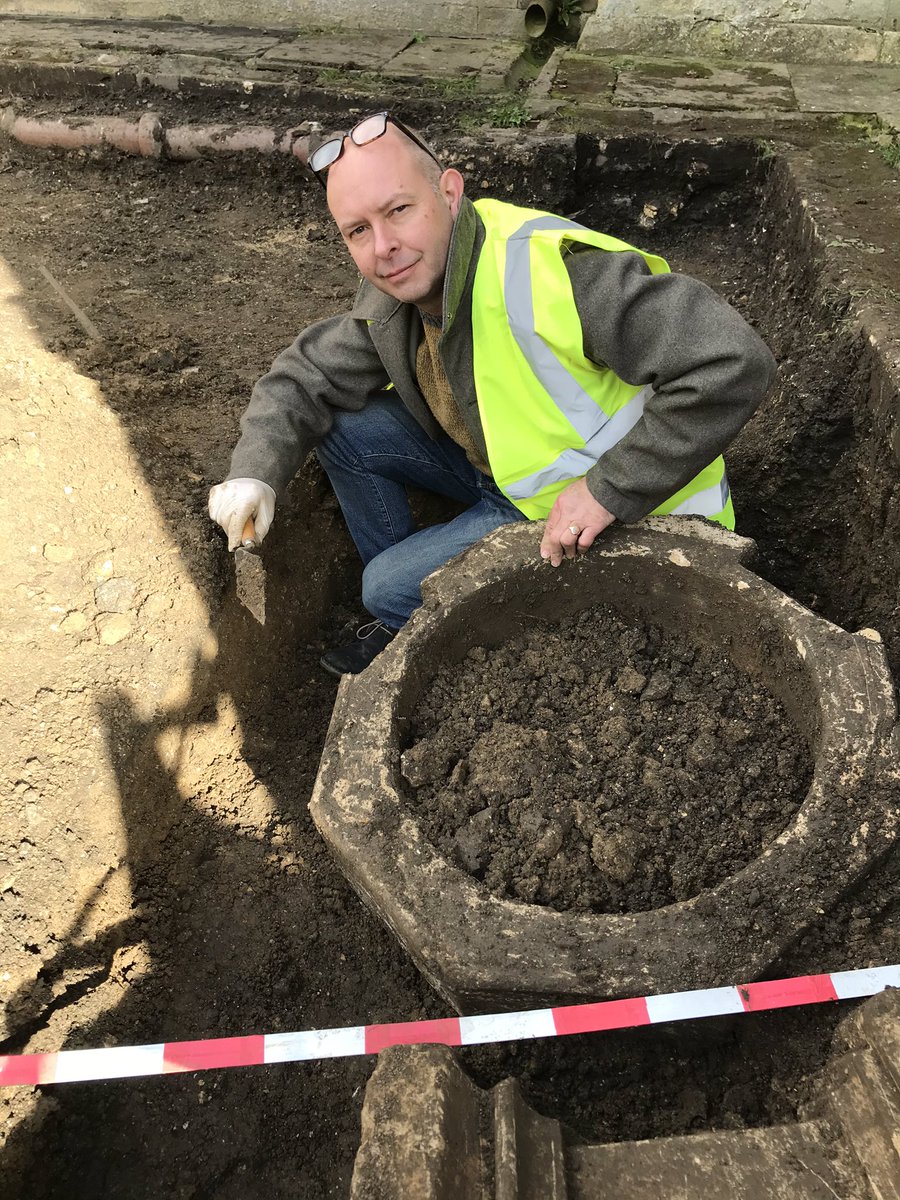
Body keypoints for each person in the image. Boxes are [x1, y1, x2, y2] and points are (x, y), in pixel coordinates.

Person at [209, 112, 775, 676]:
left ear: (450, 193)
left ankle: (418, 615)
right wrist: (253, 473)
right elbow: (305, 373)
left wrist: (608, 489)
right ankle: (414, 608)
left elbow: (732, 362)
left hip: (624, 516)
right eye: (358, 230)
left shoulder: (553, 275)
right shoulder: (403, 296)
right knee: (344, 430)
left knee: (383, 588)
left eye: (398, 210)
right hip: (504, 475)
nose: (383, 246)